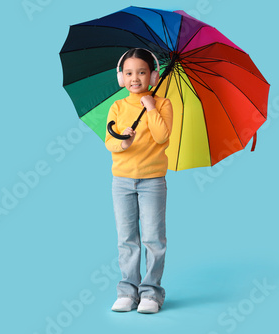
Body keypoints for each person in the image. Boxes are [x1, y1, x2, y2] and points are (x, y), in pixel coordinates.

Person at [105, 48, 173, 314]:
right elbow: (110, 140)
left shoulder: (163, 104)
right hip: (121, 180)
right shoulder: (118, 106)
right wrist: (124, 140)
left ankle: (151, 293)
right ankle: (127, 290)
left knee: (154, 238)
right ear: (121, 77)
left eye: (142, 72)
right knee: (126, 237)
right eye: (130, 73)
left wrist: (152, 108)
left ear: (153, 76)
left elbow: (161, 137)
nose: (136, 78)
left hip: (153, 180)